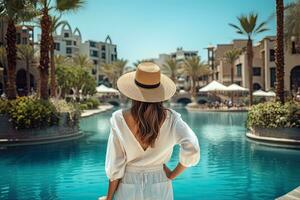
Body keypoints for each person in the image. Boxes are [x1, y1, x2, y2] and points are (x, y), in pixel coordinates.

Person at [101, 62, 200, 200]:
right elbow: (193, 148)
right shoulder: (172, 119)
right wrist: (172, 174)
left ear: (133, 91)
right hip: (160, 183)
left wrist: (109, 198)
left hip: (128, 184)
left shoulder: (118, 119)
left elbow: (115, 166)